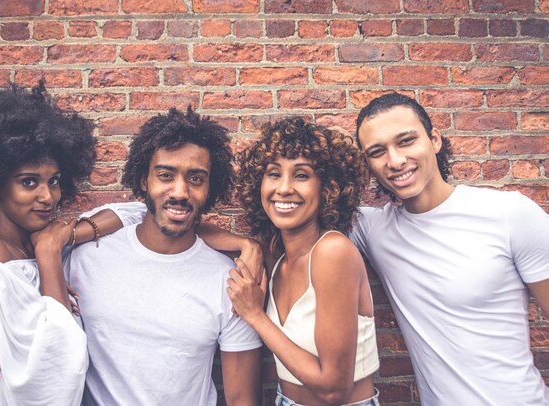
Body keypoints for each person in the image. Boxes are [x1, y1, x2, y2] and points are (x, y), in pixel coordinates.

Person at [0, 84, 138, 405]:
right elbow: (58, 367)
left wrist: (63, 235)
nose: (47, 196)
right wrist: (50, 252)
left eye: (53, 180)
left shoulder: (28, 243)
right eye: (28, 182)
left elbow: (138, 212)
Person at [352, 93, 549, 405]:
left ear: (435, 140)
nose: (395, 160)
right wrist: (244, 245)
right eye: (378, 152)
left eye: (406, 141)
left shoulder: (510, 213)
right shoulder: (371, 229)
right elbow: (297, 222)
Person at [66, 107, 262, 405]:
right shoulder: (84, 257)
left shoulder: (232, 282)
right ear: (144, 180)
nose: (180, 192)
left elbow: (242, 401)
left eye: (196, 179)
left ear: (210, 189)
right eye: (166, 175)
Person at [225, 118, 379, 406]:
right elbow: (195, 229)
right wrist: (246, 244)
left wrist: (256, 316)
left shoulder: (332, 252)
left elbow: (334, 389)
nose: (283, 188)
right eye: (273, 174)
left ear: (328, 187)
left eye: (301, 175)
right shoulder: (279, 257)